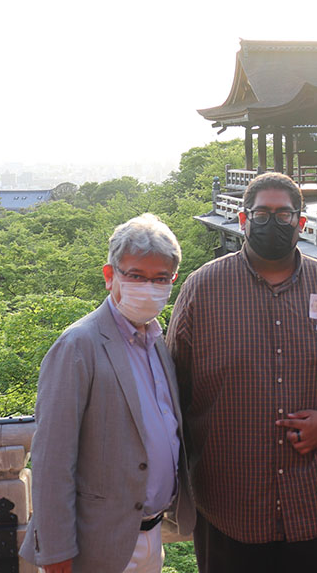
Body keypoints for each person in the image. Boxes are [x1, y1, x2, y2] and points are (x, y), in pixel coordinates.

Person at [168, 172, 317, 573]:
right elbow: (172, 386)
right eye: (262, 213)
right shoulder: (203, 290)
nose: (273, 222)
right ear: (243, 220)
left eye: (284, 215)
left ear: (300, 222)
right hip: (231, 507)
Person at [20, 213, 194, 573]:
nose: (148, 287)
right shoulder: (79, 345)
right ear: (109, 275)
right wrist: (55, 552)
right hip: (95, 544)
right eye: (135, 276)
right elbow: (52, 458)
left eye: (160, 278)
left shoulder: (157, 340)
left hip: (150, 533)